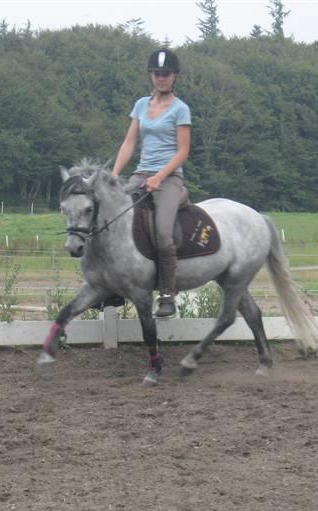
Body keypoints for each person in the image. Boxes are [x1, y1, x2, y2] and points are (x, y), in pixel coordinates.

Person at [112, 49, 191, 318]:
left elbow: (182, 151)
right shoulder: (140, 105)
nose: (161, 78)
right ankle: (112, 285)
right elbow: (129, 142)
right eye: (157, 73)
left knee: (162, 234)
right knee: (111, 217)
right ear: (151, 75)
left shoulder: (181, 109)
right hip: (141, 174)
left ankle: (167, 294)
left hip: (168, 178)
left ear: (174, 77)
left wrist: (159, 177)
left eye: (165, 74)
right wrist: (114, 175)